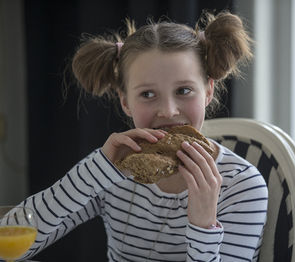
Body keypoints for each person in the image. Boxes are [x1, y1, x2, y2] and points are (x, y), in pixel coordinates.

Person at [14, 10, 267, 261]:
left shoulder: (242, 186)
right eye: (147, 94)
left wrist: (203, 225)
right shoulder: (110, 170)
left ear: (208, 91)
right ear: (125, 102)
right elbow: (8, 248)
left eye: (184, 90)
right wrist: (95, 170)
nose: (168, 111)